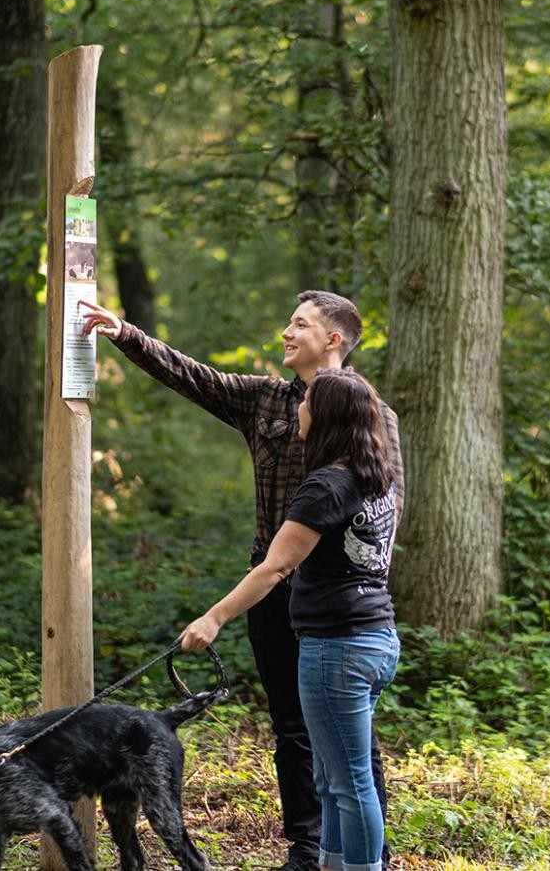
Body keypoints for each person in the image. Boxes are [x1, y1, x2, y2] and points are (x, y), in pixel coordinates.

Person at [79, 290, 402, 871]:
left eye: (299, 324)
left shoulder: (369, 412)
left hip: (336, 596)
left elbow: (387, 508)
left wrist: (360, 586)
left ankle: (368, 853)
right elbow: (193, 377)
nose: (286, 333)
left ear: (333, 340)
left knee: (352, 741)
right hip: (271, 590)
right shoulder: (265, 399)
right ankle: (309, 849)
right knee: (294, 727)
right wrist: (126, 334)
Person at [179, 368, 399, 871]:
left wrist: (213, 618)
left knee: (349, 781)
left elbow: (274, 568)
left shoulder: (325, 485)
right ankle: (331, 863)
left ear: (324, 417)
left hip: (338, 647)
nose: (298, 408)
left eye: (307, 403)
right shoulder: (376, 476)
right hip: (376, 639)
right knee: (331, 776)